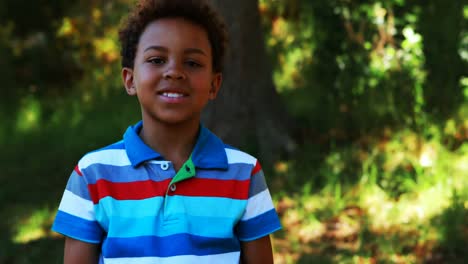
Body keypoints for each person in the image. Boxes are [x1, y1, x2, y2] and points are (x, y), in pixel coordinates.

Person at [51, 0, 282, 263]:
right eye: (157, 59)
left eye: (193, 63)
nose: (174, 72)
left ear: (214, 85)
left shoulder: (244, 173)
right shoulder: (92, 175)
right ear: (130, 80)